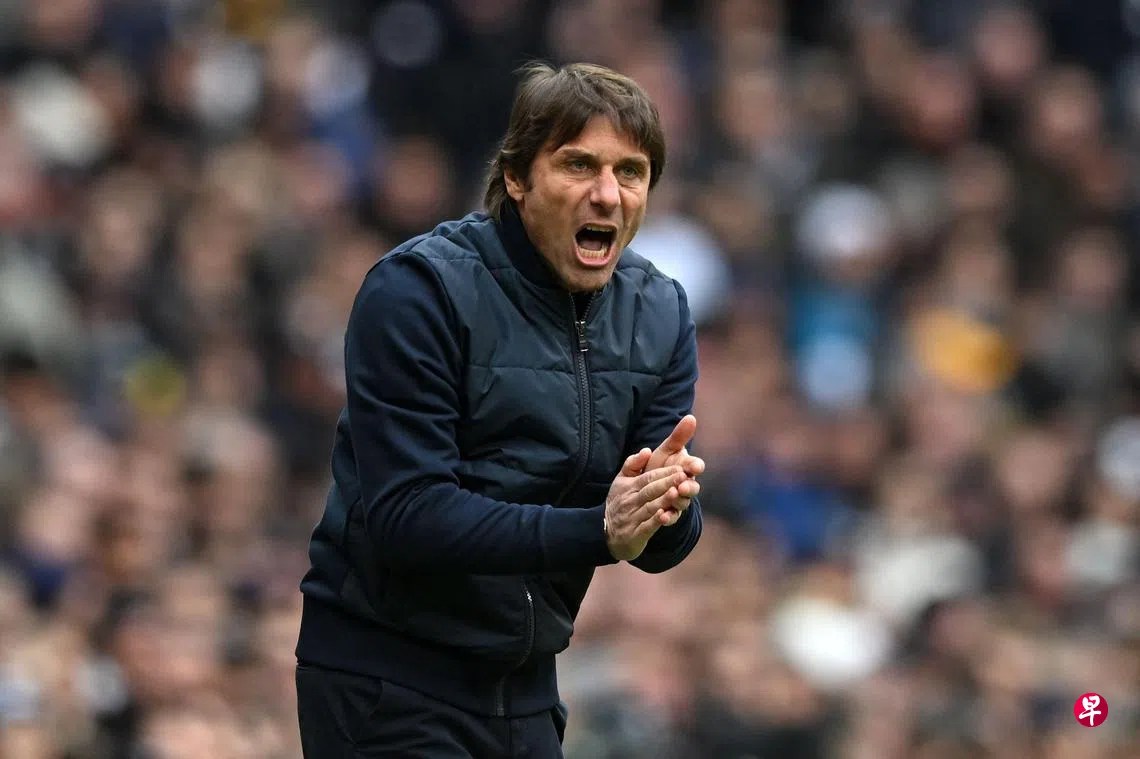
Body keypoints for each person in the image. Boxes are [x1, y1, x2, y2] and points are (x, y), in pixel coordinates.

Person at [294, 61, 706, 758]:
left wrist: (665, 507)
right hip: (388, 676)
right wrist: (600, 529)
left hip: (526, 686)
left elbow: (657, 541)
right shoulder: (418, 290)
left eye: (631, 172)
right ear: (516, 177)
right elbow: (408, 513)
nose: (608, 194)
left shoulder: (660, 310)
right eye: (579, 165)